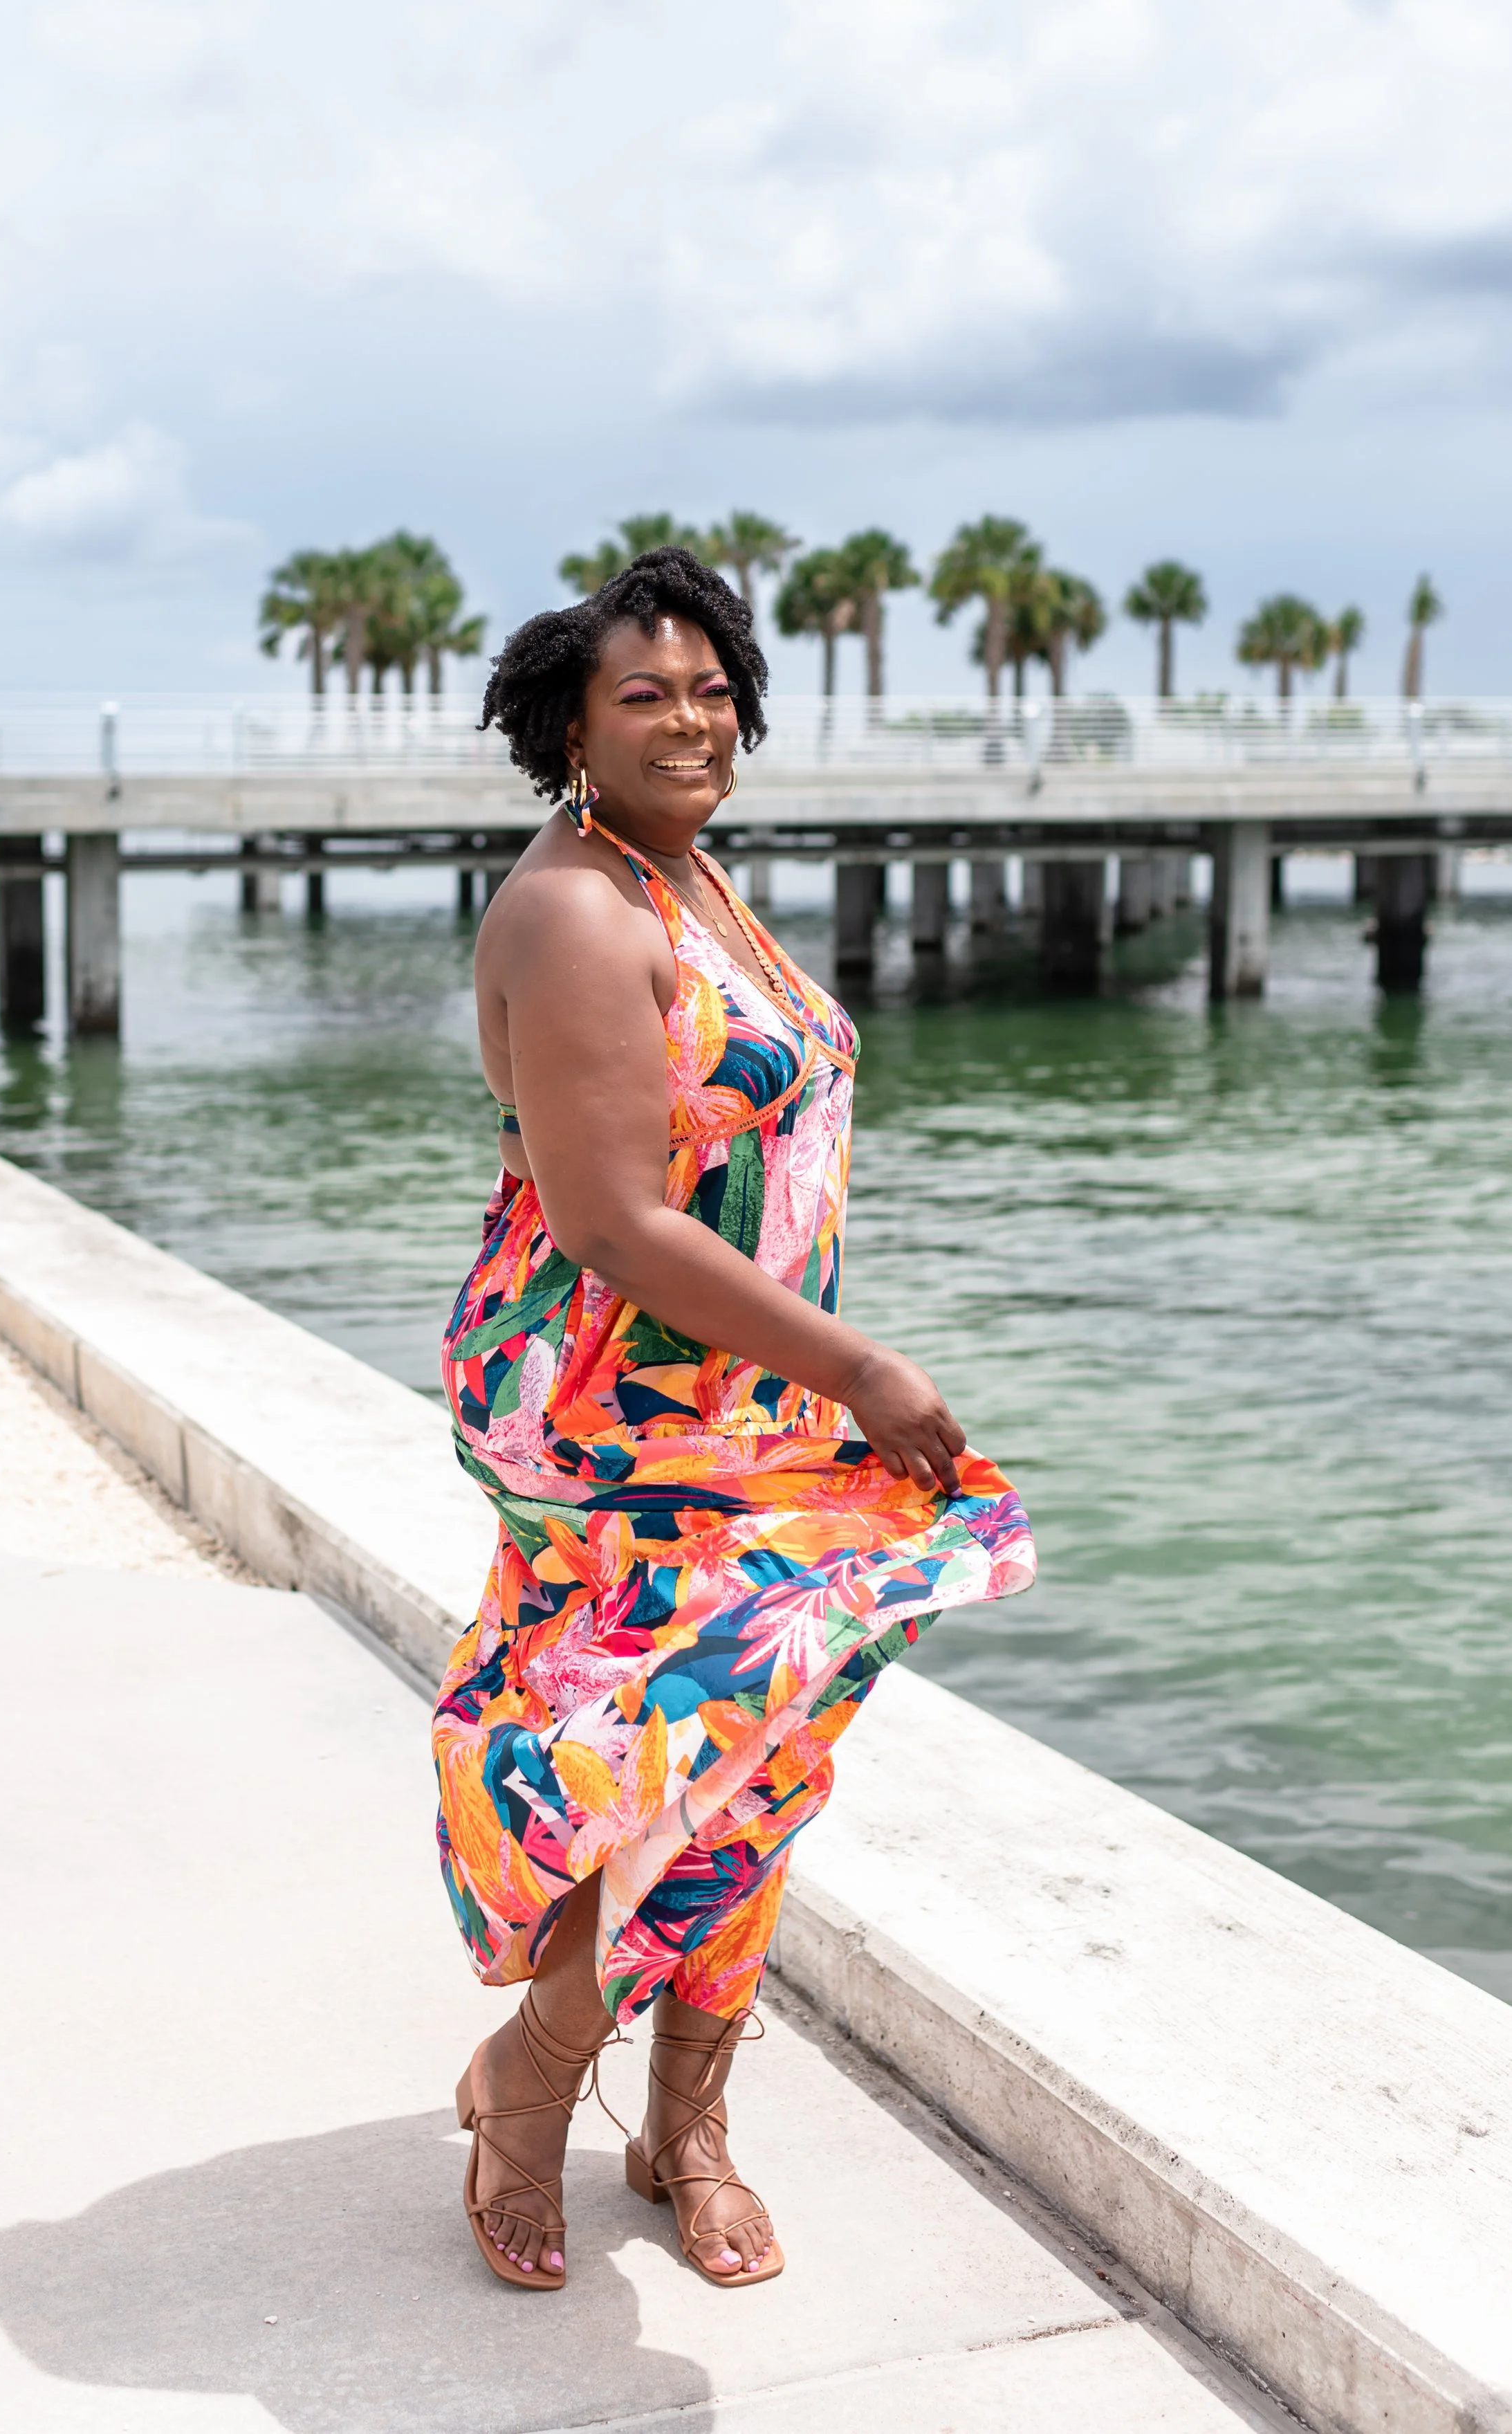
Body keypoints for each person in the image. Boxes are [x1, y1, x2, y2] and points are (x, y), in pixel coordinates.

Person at [434, 547, 1034, 2294]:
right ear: (567, 726)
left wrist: (812, 1361)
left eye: (709, 688)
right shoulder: (573, 908)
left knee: (761, 1753)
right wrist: (856, 1370)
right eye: (644, 693)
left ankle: (684, 2120)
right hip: (602, 1405)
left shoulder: (689, 881)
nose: (688, 716)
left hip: (740, 1387)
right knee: (660, 1750)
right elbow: (613, 1217)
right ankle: (531, 2088)